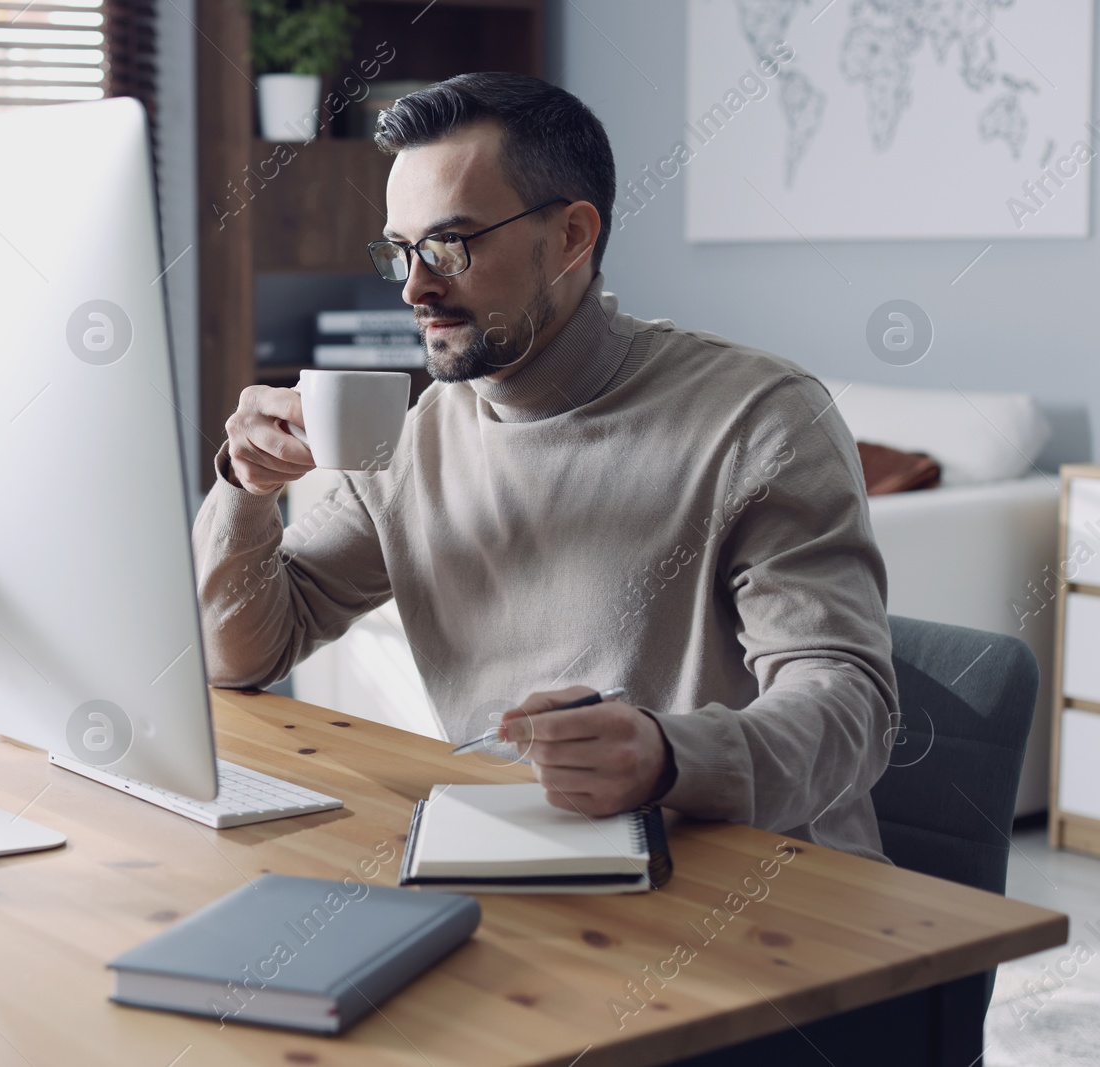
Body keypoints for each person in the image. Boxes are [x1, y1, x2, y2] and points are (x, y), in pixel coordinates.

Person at [192, 72, 897, 861]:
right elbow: (242, 654)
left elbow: (852, 710)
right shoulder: (423, 430)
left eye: (450, 246)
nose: (416, 287)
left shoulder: (762, 418)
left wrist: (669, 756)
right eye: (401, 252)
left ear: (570, 238)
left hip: (766, 890)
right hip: (526, 863)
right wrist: (245, 490)